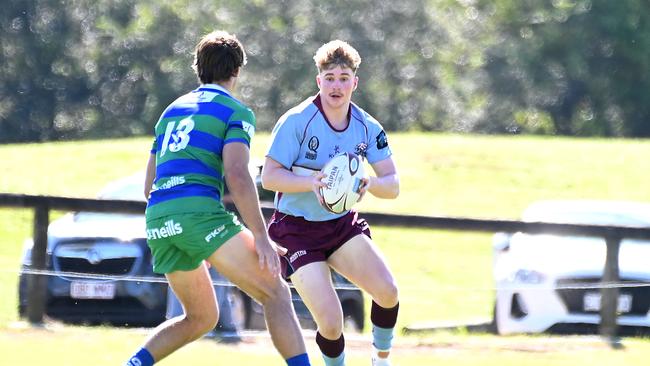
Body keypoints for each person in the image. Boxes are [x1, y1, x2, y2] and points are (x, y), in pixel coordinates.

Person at [124, 30, 311, 366]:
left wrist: (193, 238)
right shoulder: (235, 111)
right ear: (237, 71)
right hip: (198, 215)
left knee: (201, 317)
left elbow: (148, 184)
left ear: (198, 68)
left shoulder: (171, 111)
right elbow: (237, 175)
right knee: (276, 293)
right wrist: (261, 236)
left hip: (159, 220)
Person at [262, 40, 400, 366]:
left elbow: (392, 184)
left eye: (343, 77)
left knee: (388, 291)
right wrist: (309, 182)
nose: (336, 85)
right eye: (329, 77)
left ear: (355, 82)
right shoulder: (297, 121)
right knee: (332, 322)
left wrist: (371, 183)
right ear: (318, 81)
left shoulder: (368, 127)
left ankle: (381, 361)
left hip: (341, 226)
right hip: (296, 230)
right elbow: (269, 177)